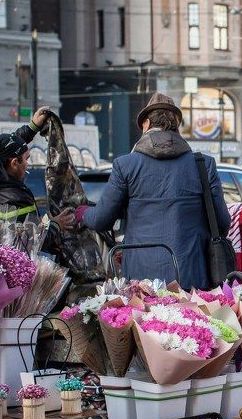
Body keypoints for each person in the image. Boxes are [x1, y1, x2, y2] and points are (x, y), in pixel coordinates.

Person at [76, 93, 230, 290]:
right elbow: (222, 222)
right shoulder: (203, 164)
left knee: (144, 311)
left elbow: (101, 219)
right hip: (192, 277)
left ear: (146, 124)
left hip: (141, 280)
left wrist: (82, 213)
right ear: (177, 126)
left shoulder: (125, 165)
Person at [0, 106, 75, 239]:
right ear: (14, 163)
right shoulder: (18, 199)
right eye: (26, 159)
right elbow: (34, 241)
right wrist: (56, 224)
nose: (27, 164)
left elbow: (3, 147)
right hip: (13, 253)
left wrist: (32, 127)